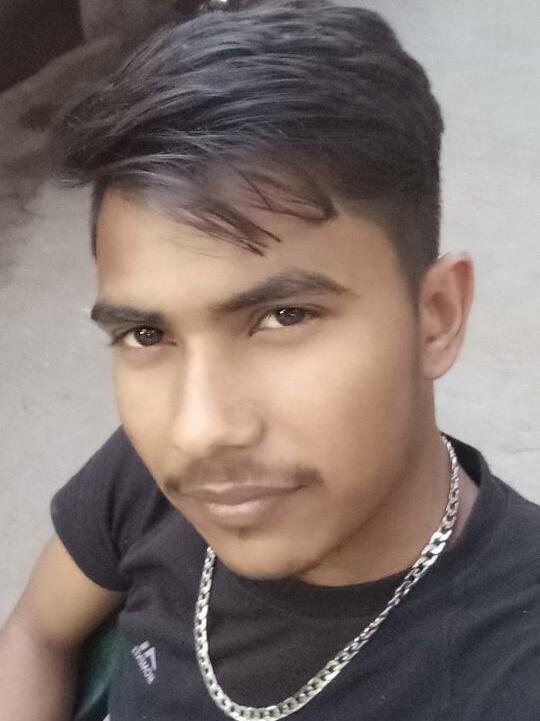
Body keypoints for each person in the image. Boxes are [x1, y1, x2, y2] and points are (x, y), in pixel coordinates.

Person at [1, 1, 539, 719]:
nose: (199, 431)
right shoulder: (147, 477)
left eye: (284, 316)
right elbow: (37, 632)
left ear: (435, 317)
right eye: (147, 334)